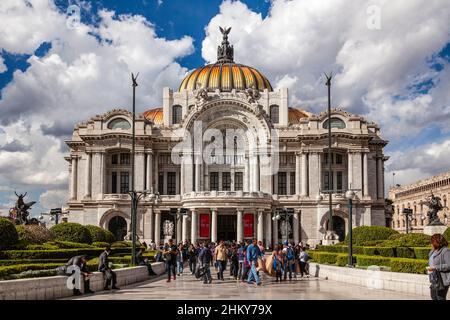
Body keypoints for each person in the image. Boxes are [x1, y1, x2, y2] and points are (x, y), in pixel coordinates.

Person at [427, 234, 450, 300]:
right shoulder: (432, 251)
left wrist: (436, 267)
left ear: (437, 242)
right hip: (434, 278)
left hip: (442, 279)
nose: (431, 244)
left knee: (440, 298)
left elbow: (449, 265)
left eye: (432, 242)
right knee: (433, 297)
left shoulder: (445, 251)